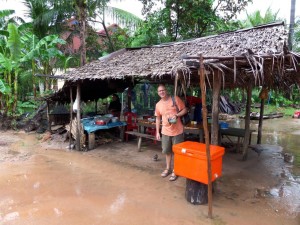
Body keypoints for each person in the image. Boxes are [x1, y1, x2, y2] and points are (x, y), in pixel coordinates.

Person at [155, 84, 188, 181]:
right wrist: (157, 132)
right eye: (159, 91)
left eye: (163, 90)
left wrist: (177, 115)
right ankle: (168, 168)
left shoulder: (175, 99)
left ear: (166, 90)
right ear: (158, 93)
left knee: (177, 152)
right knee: (167, 151)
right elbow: (157, 118)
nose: (161, 92)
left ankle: (175, 170)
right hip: (165, 131)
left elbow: (185, 109)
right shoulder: (158, 104)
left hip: (177, 130)